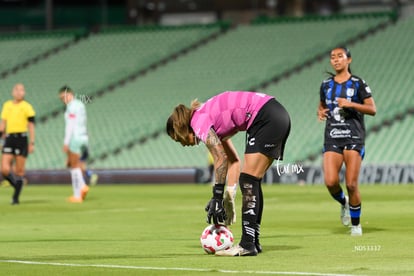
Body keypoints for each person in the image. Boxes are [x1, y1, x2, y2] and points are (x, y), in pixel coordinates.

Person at [166, 91, 291, 256]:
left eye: (178, 140)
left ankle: (247, 244)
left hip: (265, 117)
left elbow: (220, 158)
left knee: (249, 180)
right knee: (252, 180)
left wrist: (216, 196)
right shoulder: (206, 117)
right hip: (274, 113)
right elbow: (233, 160)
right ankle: (253, 241)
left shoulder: (199, 123)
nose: (182, 144)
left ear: (180, 129)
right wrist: (229, 196)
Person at [317, 47, 376, 236]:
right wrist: (320, 111)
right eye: (332, 57)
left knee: (351, 184)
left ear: (348, 60)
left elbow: (372, 109)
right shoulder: (326, 84)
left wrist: (351, 104)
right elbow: (322, 105)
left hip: (354, 137)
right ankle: (344, 202)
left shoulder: (358, 83)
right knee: (330, 181)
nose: (335, 60)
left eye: (340, 57)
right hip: (332, 137)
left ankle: (356, 225)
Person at [0, 83, 35, 205]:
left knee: (20, 171)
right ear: (12, 92)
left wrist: (32, 142)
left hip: (22, 139)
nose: (19, 92)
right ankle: (16, 185)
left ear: (24, 93)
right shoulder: (7, 105)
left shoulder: (27, 107)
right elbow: (2, 124)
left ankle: (15, 198)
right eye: (17, 90)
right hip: (9, 139)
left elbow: (31, 125)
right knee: (4, 169)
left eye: (21, 90)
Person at [59, 86, 90, 203]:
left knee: (74, 166)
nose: (63, 100)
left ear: (70, 94)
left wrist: (66, 142)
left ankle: (78, 193)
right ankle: (82, 186)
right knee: (77, 164)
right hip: (84, 136)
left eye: (64, 96)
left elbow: (70, 126)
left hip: (75, 138)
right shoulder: (80, 104)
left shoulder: (71, 107)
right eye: (61, 98)